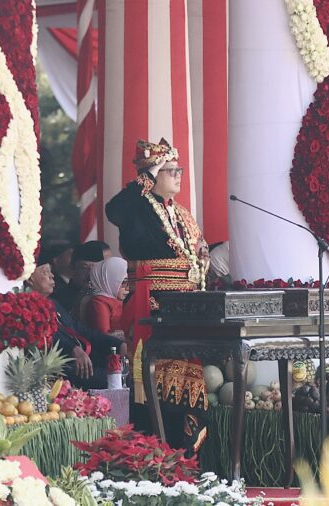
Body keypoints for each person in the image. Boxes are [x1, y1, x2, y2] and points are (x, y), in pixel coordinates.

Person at [105, 137, 210, 453]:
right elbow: (114, 209)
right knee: (155, 383)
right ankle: (155, 451)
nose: (178, 175)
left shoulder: (179, 212)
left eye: (178, 170)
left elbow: (197, 246)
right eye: (170, 171)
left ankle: (187, 450)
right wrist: (147, 175)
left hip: (186, 307)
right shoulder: (137, 207)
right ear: (151, 177)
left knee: (189, 380)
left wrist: (202, 254)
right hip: (154, 302)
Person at [27, 262, 126, 389]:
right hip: (64, 368)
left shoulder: (52, 303)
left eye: (51, 271)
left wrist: (118, 344)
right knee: (113, 381)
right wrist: (73, 349)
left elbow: (81, 331)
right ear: (30, 279)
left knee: (123, 374)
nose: (52, 276)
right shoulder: (28, 309)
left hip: (87, 358)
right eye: (45, 272)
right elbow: (47, 335)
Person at [84, 257, 129, 336]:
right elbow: (104, 335)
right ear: (109, 280)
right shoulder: (99, 303)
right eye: (123, 283)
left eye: (130, 282)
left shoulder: (123, 299)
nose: (127, 288)